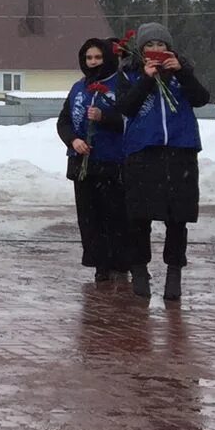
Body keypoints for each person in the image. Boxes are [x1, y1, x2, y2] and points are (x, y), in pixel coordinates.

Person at [115, 22, 210, 301]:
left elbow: (201, 99)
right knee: (139, 217)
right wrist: (146, 79)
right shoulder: (130, 74)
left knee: (177, 218)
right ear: (141, 50)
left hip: (180, 151)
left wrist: (183, 73)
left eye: (161, 45)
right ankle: (140, 269)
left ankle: (174, 272)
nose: (156, 50)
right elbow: (126, 107)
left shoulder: (181, 71)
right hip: (143, 152)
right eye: (150, 46)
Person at [56, 37, 130, 282]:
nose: (93, 62)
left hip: (111, 161)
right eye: (89, 58)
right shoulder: (79, 87)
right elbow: (64, 121)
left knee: (114, 215)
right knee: (89, 218)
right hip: (82, 162)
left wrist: (104, 116)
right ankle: (99, 263)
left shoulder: (121, 84)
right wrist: (73, 141)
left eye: (98, 57)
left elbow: (131, 119)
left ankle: (119, 262)